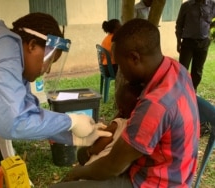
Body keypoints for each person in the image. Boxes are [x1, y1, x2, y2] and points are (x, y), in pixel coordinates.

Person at [50, 18, 200, 188]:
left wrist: (77, 172)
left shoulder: (155, 105)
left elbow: (112, 167)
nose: (120, 72)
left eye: (120, 65)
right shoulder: (176, 69)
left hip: (154, 183)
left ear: (134, 58)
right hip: (177, 172)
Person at [0, 8, 112, 163]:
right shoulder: (0, 58)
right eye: (49, 60)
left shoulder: (11, 54)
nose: (47, 69)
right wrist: (71, 121)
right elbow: (15, 123)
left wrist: (72, 136)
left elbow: (31, 114)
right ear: (32, 45)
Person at [175, 0, 215, 91]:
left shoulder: (212, 5)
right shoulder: (186, 6)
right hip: (188, 43)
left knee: (198, 71)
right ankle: (180, 91)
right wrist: (178, 41)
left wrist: (210, 26)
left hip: (204, 42)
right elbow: (179, 24)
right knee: (182, 69)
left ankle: (193, 91)